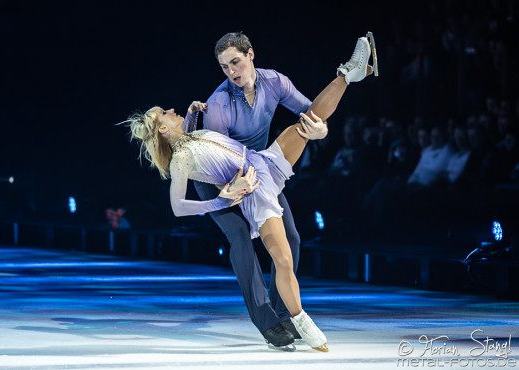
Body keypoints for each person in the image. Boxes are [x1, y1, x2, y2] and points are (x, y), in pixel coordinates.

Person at [125, 35, 375, 352]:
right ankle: (278, 321)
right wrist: (224, 198)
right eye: (224, 66)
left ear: (250, 56)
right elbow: (184, 195)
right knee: (246, 240)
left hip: (260, 162)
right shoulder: (208, 118)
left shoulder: (264, 87)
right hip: (242, 183)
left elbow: (191, 140)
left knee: (307, 125)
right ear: (162, 128)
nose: (230, 71)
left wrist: (320, 132)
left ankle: (348, 73)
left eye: (235, 62)